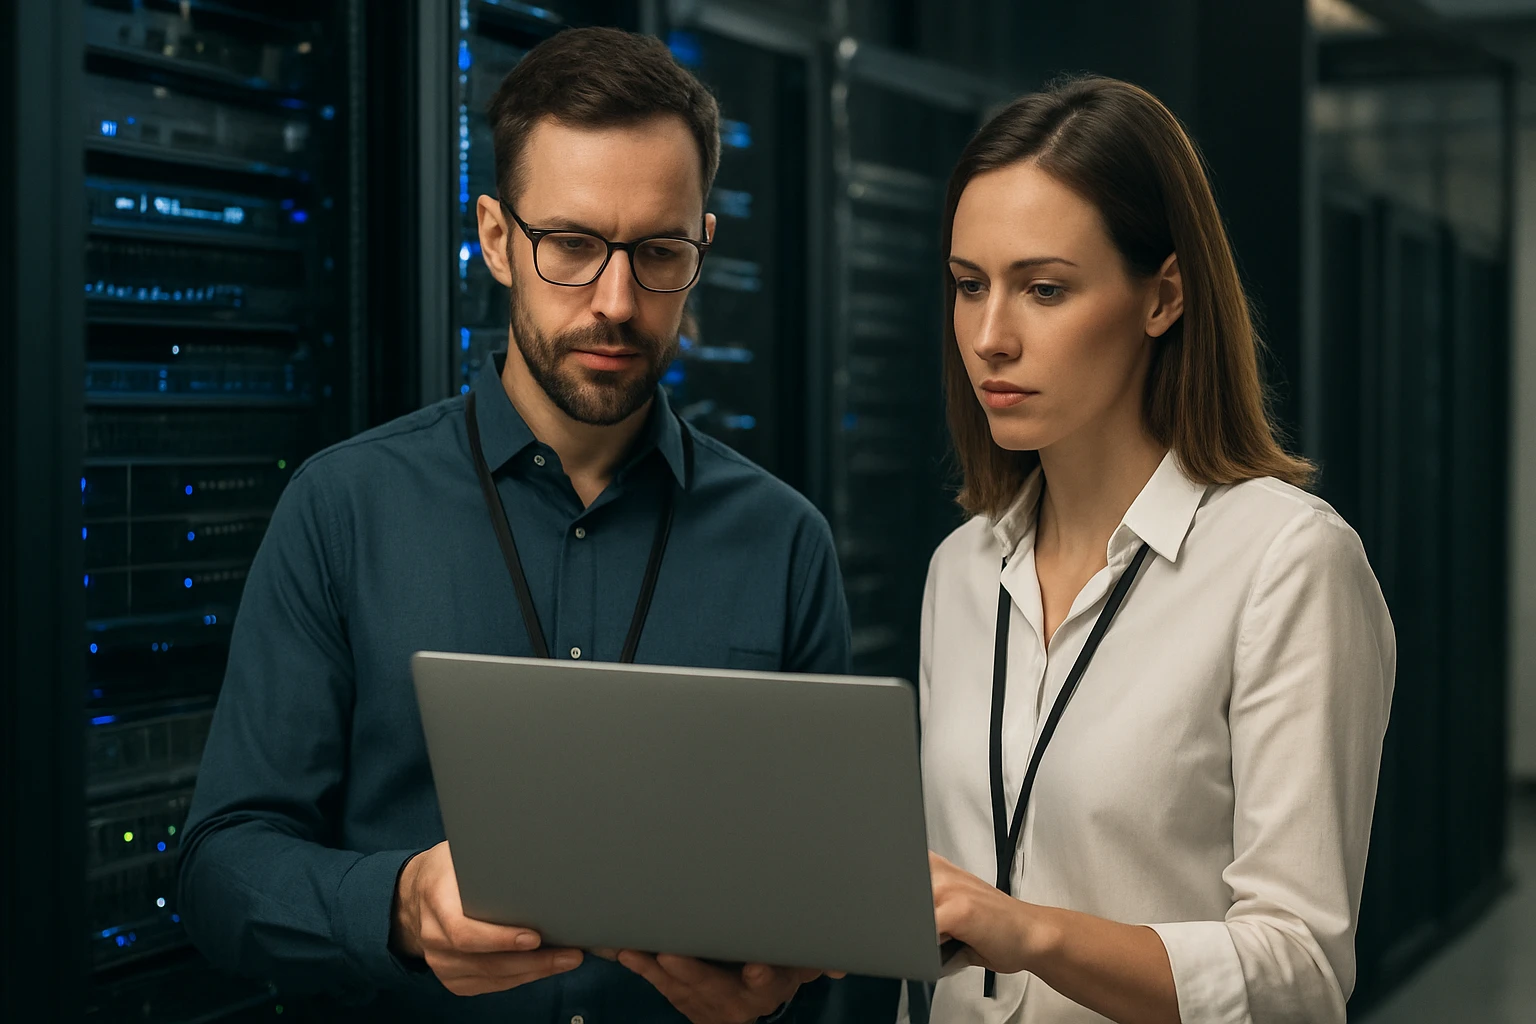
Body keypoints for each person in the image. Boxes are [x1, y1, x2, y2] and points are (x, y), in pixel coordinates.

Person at [179, 27, 864, 1024]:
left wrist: (779, 985)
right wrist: (401, 906)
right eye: (573, 247)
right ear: (497, 239)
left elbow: (828, 909)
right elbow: (222, 866)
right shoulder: (343, 509)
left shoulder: (786, 544)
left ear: (703, 248)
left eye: (659, 253)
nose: (617, 302)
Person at [909, 77, 1396, 1024]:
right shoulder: (959, 572)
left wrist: (1031, 933)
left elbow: (1299, 972)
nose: (990, 338)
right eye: (970, 286)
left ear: (1163, 296)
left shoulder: (1286, 565)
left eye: (1043, 289)